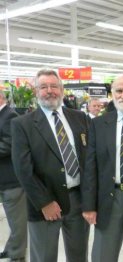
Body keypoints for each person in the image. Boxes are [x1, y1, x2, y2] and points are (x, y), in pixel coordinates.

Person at [11, 69, 90, 262]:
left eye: (54, 86)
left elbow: (89, 159)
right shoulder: (22, 124)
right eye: (43, 87)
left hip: (78, 200)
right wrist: (44, 202)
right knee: (44, 256)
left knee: (79, 255)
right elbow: (23, 170)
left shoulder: (80, 118)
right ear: (36, 92)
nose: (49, 91)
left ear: (61, 90)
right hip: (45, 204)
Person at [81, 75, 123, 262]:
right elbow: (91, 166)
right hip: (108, 200)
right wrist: (88, 205)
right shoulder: (99, 124)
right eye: (119, 91)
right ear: (112, 94)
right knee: (103, 255)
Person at [0, 90, 27, 262]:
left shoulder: (10, 115)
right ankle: (11, 249)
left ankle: (17, 255)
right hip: (3, 179)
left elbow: (9, 144)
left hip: (12, 180)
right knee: (12, 220)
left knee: (17, 221)